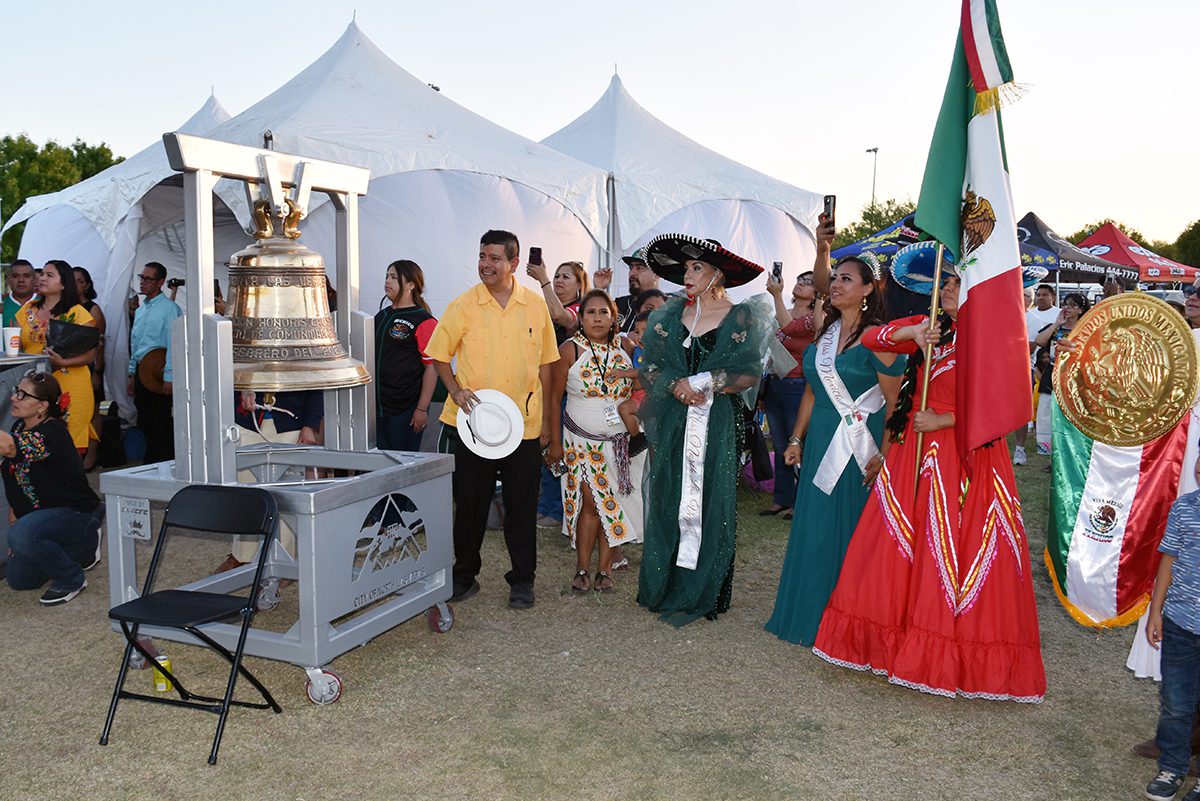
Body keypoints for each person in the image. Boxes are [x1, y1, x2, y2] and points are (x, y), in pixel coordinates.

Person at [811, 274, 1046, 702]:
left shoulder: (992, 336)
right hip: (912, 455)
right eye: (947, 282)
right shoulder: (932, 327)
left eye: (957, 283)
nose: (948, 289)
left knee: (952, 550)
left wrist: (946, 420)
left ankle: (947, 651)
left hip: (966, 456)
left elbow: (1013, 406)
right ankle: (893, 641)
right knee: (898, 549)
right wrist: (914, 333)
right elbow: (871, 338)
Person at [764, 253, 904, 646]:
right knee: (816, 525)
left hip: (862, 444)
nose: (837, 284)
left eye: (846, 279)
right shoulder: (825, 335)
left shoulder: (881, 338)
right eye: (835, 278)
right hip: (821, 438)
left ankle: (848, 620)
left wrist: (884, 456)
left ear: (867, 290)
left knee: (850, 526)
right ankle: (809, 610)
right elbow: (811, 390)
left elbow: (896, 405)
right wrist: (794, 439)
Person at [636, 234, 773, 626]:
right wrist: (675, 386)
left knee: (710, 497)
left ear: (718, 274)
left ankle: (703, 589)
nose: (687, 274)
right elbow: (651, 367)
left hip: (716, 422)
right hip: (676, 420)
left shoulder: (739, 316)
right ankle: (666, 585)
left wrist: (705, 383)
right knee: (670, 493)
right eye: (686, 268)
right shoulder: (671, 314)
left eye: (697, 267)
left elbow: (748, 373)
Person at [426, 229, 559, 610]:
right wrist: (454, 390)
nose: (486, 264)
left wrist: (549, 422)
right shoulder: (463, 305)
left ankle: (522, 582)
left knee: (521, 509)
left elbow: (548, 367)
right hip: (474, 428)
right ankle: (464, 577)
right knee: (470, 506)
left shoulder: (534, 305)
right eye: (482, 256)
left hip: (525, 428)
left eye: (495, 258)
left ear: (514, 263)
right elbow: (439, 354)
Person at [546, 290, 644, 592]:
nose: (597, 318)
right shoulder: (569, 350)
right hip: (580, 443)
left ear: (614, 316)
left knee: (610, 503)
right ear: (581, 317)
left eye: (604, 312)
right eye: (591, 312)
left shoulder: (626, 346)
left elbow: (642, 385)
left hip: (620, 445)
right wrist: (555, 444)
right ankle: (581, 567)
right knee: (591, 502)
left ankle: (604, 570)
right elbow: (553, 398)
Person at [3, 371, 104, 605]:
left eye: (22, 395)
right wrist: (16, 516)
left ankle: (72, 580)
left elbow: (10, 449)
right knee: (19, 580)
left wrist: (23, 533)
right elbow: (14, 472)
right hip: (44, 517)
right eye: (15, 392)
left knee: (23, 536)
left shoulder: (52, 432)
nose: (14, 398)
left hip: (76, 512)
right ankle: (81, 549)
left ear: (43, 406)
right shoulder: (19, 426)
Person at [213, 389, 323, 574]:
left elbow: (315, 381)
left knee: (285, 497)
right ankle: (242, 556)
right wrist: (240, 395)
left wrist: (310, 425)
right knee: (244, 492)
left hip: (291, 423)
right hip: (246, 421)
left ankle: (283, 561)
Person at [1143, 456, 1200, 801]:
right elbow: (1169, 559)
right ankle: (1173, 767)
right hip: (1180, 623)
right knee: (1176, 702)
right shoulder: (1184, 509)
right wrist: (1156, 611)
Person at [16, 261, 98, 453]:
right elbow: (17, 347)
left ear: (63, 284)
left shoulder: (78, 313)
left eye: (49, 275)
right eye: (42, 274)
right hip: (36, 386)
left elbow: (90, 355)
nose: (42, 278)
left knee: (70, 445)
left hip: (71, 384)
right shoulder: (28, 310)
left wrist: (63, 362)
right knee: (37, 443)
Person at [760, 268, 820, 518]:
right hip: (776, 382)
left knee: (799, 443)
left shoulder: (814, 316)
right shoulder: (785, 311)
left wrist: (776, 295)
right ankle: (782, 498)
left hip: (798, 386)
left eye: (808, 282)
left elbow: (792, 329)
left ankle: (800, 500)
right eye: (800, 280)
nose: (801, 284)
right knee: (781, 442)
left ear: (818, 292)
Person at [374, 260, 437, 452]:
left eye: (394, 277)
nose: (387, 281)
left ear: (411, 284)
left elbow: (432, 368)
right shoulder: (381, 316)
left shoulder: (424, 320)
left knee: (402, 465)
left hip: (405, 409)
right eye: (386, 276)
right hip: (376, 407)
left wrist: (421, 409)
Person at [127, 262, 182, 464]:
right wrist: (132, 374)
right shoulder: (141, 310)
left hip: (159, 370)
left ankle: (167, 461)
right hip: (143, 369)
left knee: (162, 420)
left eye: (148, 279)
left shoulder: (170, 309)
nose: (143, 283)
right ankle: (150, 461)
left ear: (160, 282)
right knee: (145, 420)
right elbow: (136, 343)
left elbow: (173, 344)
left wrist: (169, 376)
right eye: (142, 278)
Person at [1013, 283, 1059, 465]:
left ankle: (1019, 449)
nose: (1021, 297)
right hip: (1001, 368)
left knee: (1020, 411)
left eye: (1025, 295)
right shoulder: (1003, 314)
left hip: (1023, 369)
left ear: (1029, 300)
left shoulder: (1033, 320)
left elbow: (1031, 347)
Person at [73, 267, 106, 470]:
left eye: (80, 280)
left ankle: (91, 455)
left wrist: (97, 371)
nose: (76, 284)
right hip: (70, 369)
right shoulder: (65, 307)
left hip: (90, 366)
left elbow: (99, 343)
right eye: (73, 280)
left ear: (87, 285)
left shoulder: (93, 309)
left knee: (94, 412)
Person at [595, 248, 662, 333]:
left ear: (656, 274)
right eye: (631, 268)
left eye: (639, 268)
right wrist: (599, 288)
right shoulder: (620, 303)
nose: (632, 273)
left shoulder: (667, 308)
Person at [3, 259, 36, 327]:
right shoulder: (2, 302)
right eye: (15, 276)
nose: (21, 280)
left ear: (35, 280)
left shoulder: (45, 303)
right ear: (9, 280)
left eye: (26, 276)